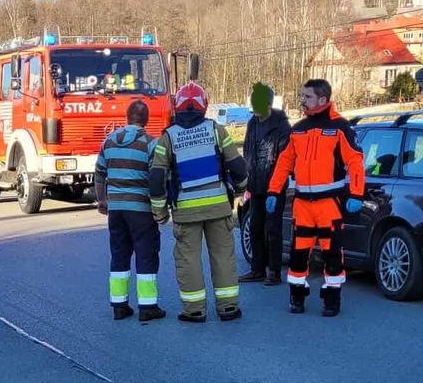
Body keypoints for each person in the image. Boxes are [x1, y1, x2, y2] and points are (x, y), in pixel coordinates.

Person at [149, 81, 249, 323]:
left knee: (188, 260)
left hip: (185, 212)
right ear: (204, 106)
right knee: (223, 256)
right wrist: (241, 189)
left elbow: (157, 176)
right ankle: (228, 308)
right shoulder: (216, 130)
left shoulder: (168, 138)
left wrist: (159, 211)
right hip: (218, 208)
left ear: (178, 107)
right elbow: (237, 165)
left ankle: (194, 310)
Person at [265, 78, 364, 317]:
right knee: (299, 255)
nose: (302, 101)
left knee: (332, 255)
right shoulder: (298, 129)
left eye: (307, 97)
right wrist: (273, 190)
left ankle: (332, 300)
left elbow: (355, 162)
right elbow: (284, 162)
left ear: (322, 99)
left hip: (330, 204)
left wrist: (357, 193)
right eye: (302, 96)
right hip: (303, 205)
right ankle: (296, 297)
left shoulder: (340, 127)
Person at [93, 99, 164, 322]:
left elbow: (99, 173)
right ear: (146, 119)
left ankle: (119, 305)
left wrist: (102, 201)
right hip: (141, 210)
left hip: (116, 210)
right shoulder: (151, 144)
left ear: (127, 117)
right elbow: (156, 179)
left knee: (119, 254)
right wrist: (159, 207)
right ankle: (147, 306)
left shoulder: (109, 141)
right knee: (146, 254)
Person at [238, 85, 290, 285]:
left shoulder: (281, 126)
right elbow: (248, 150)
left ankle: (274, 271)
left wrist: (275, 186)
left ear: (268, 103)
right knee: (255, 227)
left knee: (273, 229)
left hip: (274, 187)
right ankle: (257, 268)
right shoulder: (252, 123)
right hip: (255, 183)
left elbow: (285, 158)